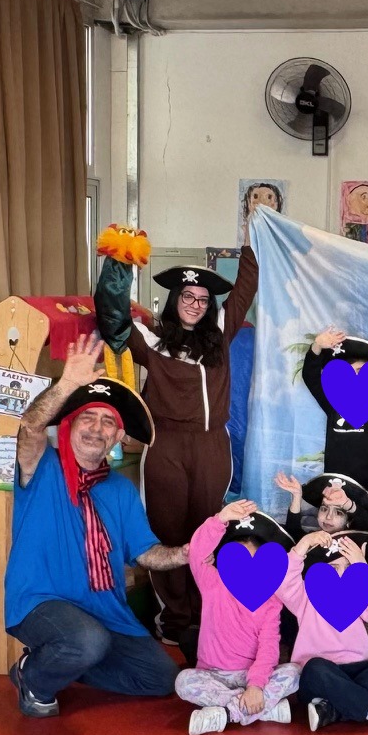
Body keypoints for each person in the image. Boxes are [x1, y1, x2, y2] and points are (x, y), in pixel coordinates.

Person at [5, 333, 188, 719]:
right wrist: (67, 384)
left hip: (104, 611)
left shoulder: (119, 489)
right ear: (70, 425)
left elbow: (145, 552)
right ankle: (33, 677)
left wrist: (186, 553)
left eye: (107, 422)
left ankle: (65, 659)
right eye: (87, 417)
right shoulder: (42, 466)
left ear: (118, 436)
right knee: (87, 640)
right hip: (40, 602)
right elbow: (30, 428)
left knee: (160, 678)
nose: (95, 428)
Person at [101, 253, 259, 654]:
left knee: (209, 530)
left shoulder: (220, 332)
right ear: (175, 299)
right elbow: (113, 317)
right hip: (166, 444)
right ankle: (173, 619)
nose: (195, 305)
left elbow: (245, 287)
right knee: (167, 533)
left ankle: (206, 616)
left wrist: (252, 239)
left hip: (211, 445)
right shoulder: (152, 339)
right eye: (188, 296)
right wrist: (118, 263)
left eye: (203, 299)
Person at [174, 504, 301, 735]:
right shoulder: (212, 583)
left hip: (251, 674)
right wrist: (220, 519)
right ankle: (262, 709)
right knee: (184, 681)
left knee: (295, 672)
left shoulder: (271, 601)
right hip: (213, 674)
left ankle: (227, 713)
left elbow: (269, 646)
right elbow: (196, 553)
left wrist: (255, 686)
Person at [280, 529, 368, 729]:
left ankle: (332, 710)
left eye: (348, 567)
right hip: (320, 674)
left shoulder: (357, 589)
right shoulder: (306, 594)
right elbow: (284, 581)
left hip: (358, 669)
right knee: (315, 667)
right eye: (333, 567)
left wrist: (362, 566)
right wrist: (303, 544)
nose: (341, 574)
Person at [299, 329, 368, 500]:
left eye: (362, 372)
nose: (357, 377)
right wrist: (317, 345)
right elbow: (310, 377)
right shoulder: (332, 401)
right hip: (336, 484)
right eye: (352, 372)